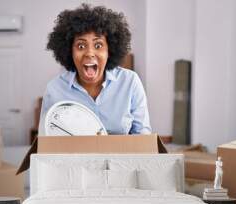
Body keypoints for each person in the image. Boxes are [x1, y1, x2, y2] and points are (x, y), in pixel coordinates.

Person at [38, 4, 151, 135]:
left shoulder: (130, 82)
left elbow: (143, 137)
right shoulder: (54, 89)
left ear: (110, 50)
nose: (90, 53)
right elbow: (47, 138)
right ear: (70, 51)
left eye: (98, 45)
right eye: (81, 46)